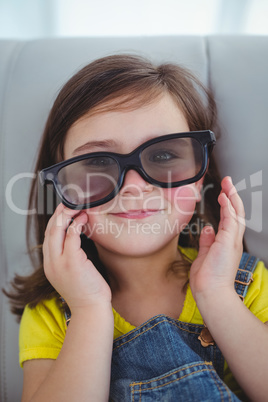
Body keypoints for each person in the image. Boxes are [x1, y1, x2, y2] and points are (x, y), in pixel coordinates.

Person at [4, 54, 268, 401]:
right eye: (97, 162)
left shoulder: (244, 284)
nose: (134, 186)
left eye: (162, 156)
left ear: (201, 172)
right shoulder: (54, 312)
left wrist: (217, 295)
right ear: (63, 189)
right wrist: (88, 310)